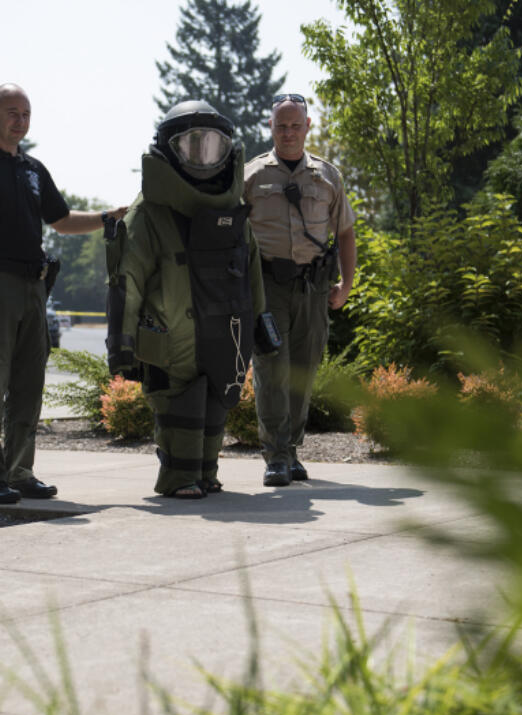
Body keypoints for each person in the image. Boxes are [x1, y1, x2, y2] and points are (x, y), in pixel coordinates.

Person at [0, 83, 126, 504]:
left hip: (33, 289)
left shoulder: (33, 170)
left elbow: (61, 220)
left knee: (29, 386)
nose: (19, 120)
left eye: (25, 114)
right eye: (11, 112)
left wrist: (106, 216)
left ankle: (19, 472)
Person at [107, 100, 277, 499]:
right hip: (169, 339)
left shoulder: (232, 212)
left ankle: (205, 471)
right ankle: (178, 476)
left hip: (223, 334)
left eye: (213, 148)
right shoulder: (148, 213)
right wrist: (123, 346)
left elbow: (252, 270)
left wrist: (261, 323)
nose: (203, 159)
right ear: (169, 149)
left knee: (218, 399)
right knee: (178, 404)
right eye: (192, 146)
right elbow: (125, 281)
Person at [243, 93, 357, 487]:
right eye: (280, 126)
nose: (288, 133)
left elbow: (344, 232)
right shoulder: (251, 176)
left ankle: (291, 450)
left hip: (313, 287)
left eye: (295, 125)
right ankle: (275, 456)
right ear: (270, 128)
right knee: (272, 370)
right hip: (268, 286)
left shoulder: (327, 176)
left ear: (308, 126)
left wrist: (346, 283)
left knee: (303, 372)